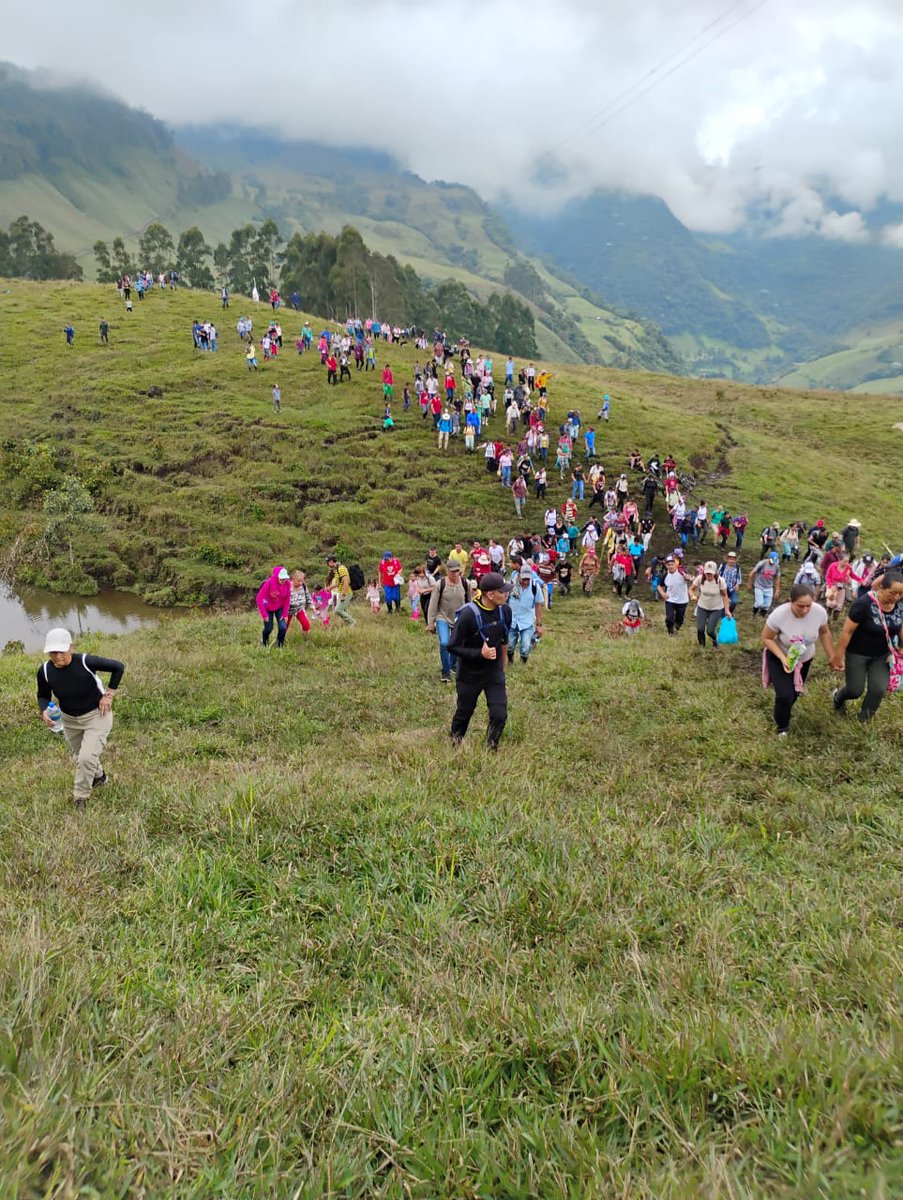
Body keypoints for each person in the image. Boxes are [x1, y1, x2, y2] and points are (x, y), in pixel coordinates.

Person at [37, 628, 124, 811]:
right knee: (80, 756)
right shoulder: (45, 671)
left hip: (97, 716)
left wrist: (109, 695)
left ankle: (80, 798)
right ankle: (100, 777)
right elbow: (43, 695)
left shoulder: (85, 662)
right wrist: (44, 709)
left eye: (61, 651)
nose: (57, 656)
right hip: (69, 720)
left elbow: (118, 667)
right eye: (53, 652)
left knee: (85, 758)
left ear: (71, 647)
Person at [448, 572, 512, 750]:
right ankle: (455, 743)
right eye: (503, 591)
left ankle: (490, 749)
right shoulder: (468, 615)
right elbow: (452, 646)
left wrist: (502, 667)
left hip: (493, 673)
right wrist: (479, 654)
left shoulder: (505, 610)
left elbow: (504, 639)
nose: (506, 594)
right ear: (490, 595)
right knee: (464, 712)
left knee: (500, 714)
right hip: (469, 674)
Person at [830, 569, 903, 722]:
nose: (896, 597)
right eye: (893, 592)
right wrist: (838, 656)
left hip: (882, 655)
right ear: (882, 587)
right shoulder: (864, 604)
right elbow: (847, 631)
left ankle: (864, 720)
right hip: (858, 653)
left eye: (900, 594)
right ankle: (838, 697)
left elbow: (900, 626)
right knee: (855, 690)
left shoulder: (900, 605)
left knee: (878, 689)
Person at [762, 584, 833, 736]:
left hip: (804, 659)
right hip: (780, 656)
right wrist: (782, 658)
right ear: (791, 602)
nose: (805, 610)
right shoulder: (779, 615)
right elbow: (766, 638)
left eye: (808, 606)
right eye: (800, 606)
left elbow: (825, 633)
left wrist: (832, 657)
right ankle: (782, 728)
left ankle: (782, 710)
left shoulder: (819, 612)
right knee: (784, 695)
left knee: (794, 694)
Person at [427, 561, 472, 682]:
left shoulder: (465, 583)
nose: (455, 574)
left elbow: (469, 603)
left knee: (457, 644)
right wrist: (431, 623)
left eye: (457, 571)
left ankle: (453, 665)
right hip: (443, 616)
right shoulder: (439, 584)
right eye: (452, 571)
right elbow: (433, 604)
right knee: (445, 643)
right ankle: (445, 671)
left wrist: (471, 621)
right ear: (447, 571)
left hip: (460, 617)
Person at [507, 563, 544, 664]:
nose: (526, 581)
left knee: (526, 647)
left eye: (528, 579)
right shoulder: (510, 586)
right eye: (524, 579)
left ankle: (523, 663)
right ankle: (510, 660)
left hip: (527, 621)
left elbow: (538, 606)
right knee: (509, 646)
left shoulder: (535, 587)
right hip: (512, 620)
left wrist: (539, 625)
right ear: (519, 575)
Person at [690, 561, 731, 648]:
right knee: (700, 629)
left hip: (716, 608)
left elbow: (724, 595)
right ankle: (702, 647)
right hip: (702, 606)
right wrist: (692, 595)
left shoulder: (720, 581)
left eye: (711, 574)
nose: (709, 575)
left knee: (710, 630)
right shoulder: (700, 578)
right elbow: (691, 589)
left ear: (715, 572)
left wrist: (727, 610)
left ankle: (714, 640)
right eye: (707, 573)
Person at [257, 565, 291, 648]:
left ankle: (280, 644)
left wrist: (285, 614)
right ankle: (264, 641)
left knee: (283, 627)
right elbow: (259, 598)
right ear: (276, 576)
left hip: (279, 607)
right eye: (281, 578)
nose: (283, 580)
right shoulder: (268, 583)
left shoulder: (287, 584)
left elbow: (287, 599)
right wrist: (264, 614)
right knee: (269, 628)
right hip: (268, 608)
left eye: (285, 578)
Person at [658, 556, 689, 635]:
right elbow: (659, 586)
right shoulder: (665, 575)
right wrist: (663, 594)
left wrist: (687, 577)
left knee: (680, 619)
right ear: (666, 566)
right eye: (668, 565)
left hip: (682, 600)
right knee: (669, 618)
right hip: (670, 600)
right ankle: (670, 631)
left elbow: (688, 578)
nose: (670, 566)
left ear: (675, 564)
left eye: (672, 564)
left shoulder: (681, 572)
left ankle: (677, 627)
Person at [325, 555, 356, 625]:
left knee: (338, 610)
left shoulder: (341, 568)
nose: (327, 565)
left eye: (327, 563)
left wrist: (343, 594)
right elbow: (338, 583)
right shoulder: (336, 569)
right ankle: (348, 624)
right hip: (341, 592)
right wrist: (330, 588)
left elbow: (346, 582)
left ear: (331, 561)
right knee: (343, 610)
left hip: (346, 593)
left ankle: (352, 622)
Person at [749, 551, 781, 615]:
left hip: (769, 587)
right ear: (769, 558)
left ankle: (761, 617)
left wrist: (777, 589)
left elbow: (777, 578)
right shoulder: (762, 563)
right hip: (759, 585)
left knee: (767, 605)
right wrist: (750, 584)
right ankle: (754, 614)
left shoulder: (777, 566)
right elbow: (752, 573)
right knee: (759, 603)